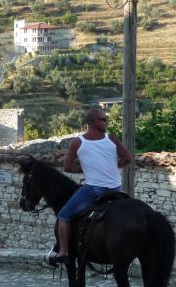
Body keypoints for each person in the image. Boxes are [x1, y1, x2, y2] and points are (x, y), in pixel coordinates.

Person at [48, 109, 133, 265]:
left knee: (63, 216)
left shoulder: (78, 143)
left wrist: (85, 168)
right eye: (103, 119)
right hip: (116, 190)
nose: (106, 122)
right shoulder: (112, 139)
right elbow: (127, 158)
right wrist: (112, 166)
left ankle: (63, 252)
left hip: (94, 190)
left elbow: (67, 167)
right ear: (93, 121)